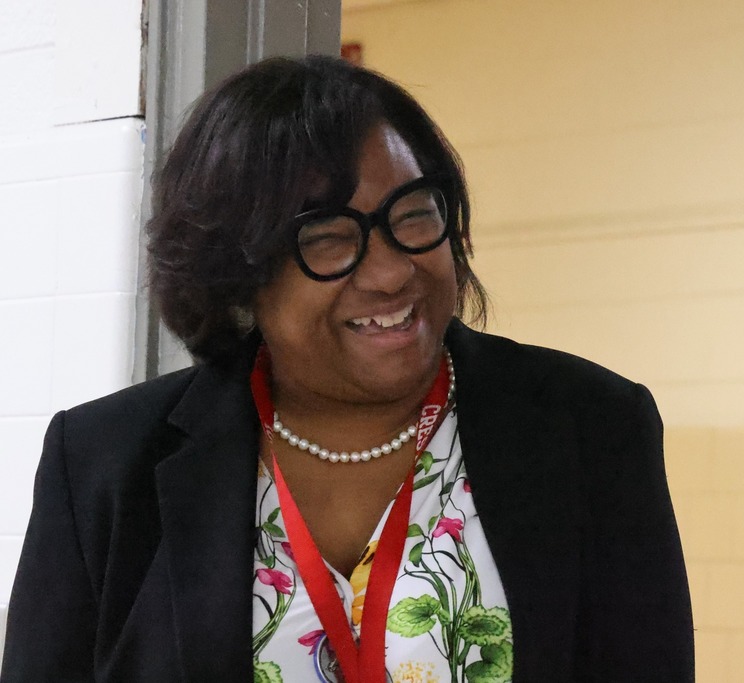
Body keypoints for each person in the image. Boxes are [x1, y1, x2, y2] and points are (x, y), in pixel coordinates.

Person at [1, 56, 693, 682]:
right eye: (330, 238)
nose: (393, 271)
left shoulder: (591, 429)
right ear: (241, 272)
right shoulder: (104, 465)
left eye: (414, 216)